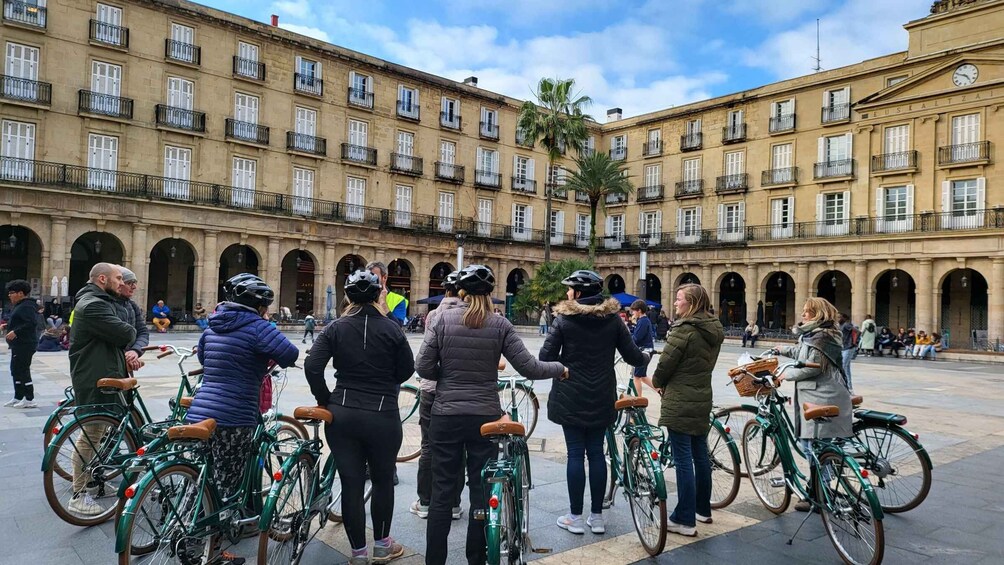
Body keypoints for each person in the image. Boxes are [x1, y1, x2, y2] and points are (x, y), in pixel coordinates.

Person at [417, 264, 567, 565]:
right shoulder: (500, 325)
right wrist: (560, 368)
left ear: (461, 292)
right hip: (484, 418)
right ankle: (476, 558)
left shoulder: (442, 320)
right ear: (490, 294)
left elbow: (422, 366)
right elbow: (529, 368)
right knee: (480, 490)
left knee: (442, 493)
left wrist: (446, 378)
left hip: (445, 415)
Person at [185, 274, 298, 562]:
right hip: (234, 416)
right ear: (261, 305)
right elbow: (289, 353)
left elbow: (203, 357)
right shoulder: (258, 326)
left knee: (201, 477)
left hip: (199, 412)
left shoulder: (213, 325)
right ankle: (213, 551)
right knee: (226, 483)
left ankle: (187, 531)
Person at [304, 270, 414, 565]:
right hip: (383, 413)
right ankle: (381, 547)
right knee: (381, 481)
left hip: (343, 413)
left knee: (350, 483)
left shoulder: (335, 328)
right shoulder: (392, 329)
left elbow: (313, 366)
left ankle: (358, 554)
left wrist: (324, 398)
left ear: (348, 296)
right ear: (379, 294)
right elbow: (406, 370)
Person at [540, 270, 649, 536]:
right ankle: (597, 517)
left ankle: (575, 517)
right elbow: (634, 357)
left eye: (570, 290)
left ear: (578, 294)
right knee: (598, 453)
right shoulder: (613, 321)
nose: (567, 293)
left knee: (576, 454)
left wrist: (564, 366)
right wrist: (647, 355)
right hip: (602, 395)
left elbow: (545, 356)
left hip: (570, 395)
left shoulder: (564, 320)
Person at [651, 284, 724, 536]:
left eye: (679, 299)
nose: (675, 303)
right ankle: (702, 509)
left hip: (680, 398)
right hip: (702, 395)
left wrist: (658, 383)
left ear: (691, 303)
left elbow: (665, 364)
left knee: (683, 460)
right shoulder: (714, 329)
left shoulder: (684, 330)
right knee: (700, 455)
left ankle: (684, 519)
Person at [67, 263, 137, 515]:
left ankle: (92, 479)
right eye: (118, 278)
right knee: (92, 434)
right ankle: (78, 494)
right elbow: (127, 332)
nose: (122, 283)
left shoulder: (98, 300)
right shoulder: (94, 305)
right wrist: (127, 332)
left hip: (103, 371)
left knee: (98, 432)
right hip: (96, 376)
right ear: (102, 279)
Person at [771, 297, 853, 512]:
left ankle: (820, 492)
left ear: (818, 314)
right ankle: (818, 488)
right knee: (813, 446)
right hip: (816, 394)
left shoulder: (822, 336)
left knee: (813, 447)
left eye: (808, 311)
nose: (803, 315)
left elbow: (813, 367)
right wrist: (782, 350)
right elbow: (803, 354)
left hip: (824, 395)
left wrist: (784, 375)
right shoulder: (814, 335)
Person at [411, 271, 465, 521]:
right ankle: (454, 503)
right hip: (460, 390)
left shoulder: (433, 315)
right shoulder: (474, 314)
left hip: (432, 389)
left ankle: (425, 501)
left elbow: (425, 358)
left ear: (445, 292)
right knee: (458, 447)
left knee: (429, 446)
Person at [4, 279, 41, 408]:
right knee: (15, 369)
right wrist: (6, 326)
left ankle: (29, 399)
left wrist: (16, 331)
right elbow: (20, 321)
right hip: (18, 344)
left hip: (25, 343)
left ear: (20, 293)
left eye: (12, 292)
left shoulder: (27, 305)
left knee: (23, 370)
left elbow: (31, 323)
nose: (9, 295)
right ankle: (18, 396)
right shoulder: (20, 305)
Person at [113, 268, 150, 373]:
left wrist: (135, 351)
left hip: (126, 361)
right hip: (112, 363)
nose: (134, 287)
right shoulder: (106, 305)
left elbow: (143, 332)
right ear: (118, 284)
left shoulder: (132, 305)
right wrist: (125, 356)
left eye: (135, 283)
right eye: (129, 283)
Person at [629, 299, 656, 392]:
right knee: (642, 376)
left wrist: (627, 340)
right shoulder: (643, 320)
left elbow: (637, 338)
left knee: (637, 377)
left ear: (639, 310)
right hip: (647, 350)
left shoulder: (643, 321)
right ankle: (660, 391)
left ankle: (638, 402)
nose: (632, 313)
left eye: (633, 310)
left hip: (644, 352)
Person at [838, 313, 856, 392]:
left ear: (844, 318)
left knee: (843, 366)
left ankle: (845, 387)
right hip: (844, 348)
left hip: (849, 348)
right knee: (847, 368)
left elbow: (857, 331)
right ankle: (849, 387)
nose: (838, 318)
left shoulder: (846, 325)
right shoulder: (840, 325)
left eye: (839, 317)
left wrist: (854, 342)